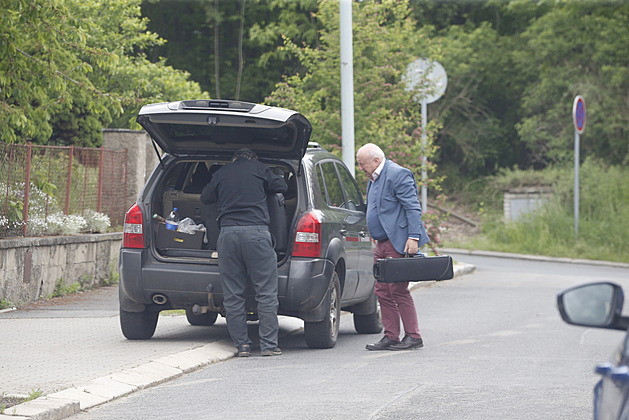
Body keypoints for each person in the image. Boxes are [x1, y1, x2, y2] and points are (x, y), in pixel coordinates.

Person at [201, 148, 287, 357]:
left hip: (228, 236)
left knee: (233, 294)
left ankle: (242, 346)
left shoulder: (221, 173)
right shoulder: (259, 169)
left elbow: (206, 198)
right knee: (265, 292)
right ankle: (268, 346)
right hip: (256, 234)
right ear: (253, 157)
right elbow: (281, 186)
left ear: (233, 158)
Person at [356, 143, 430, 351]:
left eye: (362, 164)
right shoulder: (374, 179)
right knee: (382, 291)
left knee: (398, 290)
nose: (360, 168)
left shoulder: (398, 174)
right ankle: (391, 336)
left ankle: (414, 336)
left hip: (397, 242)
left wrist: (413, 237)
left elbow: (412, 207)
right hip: (380, 243)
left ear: (376, 161)